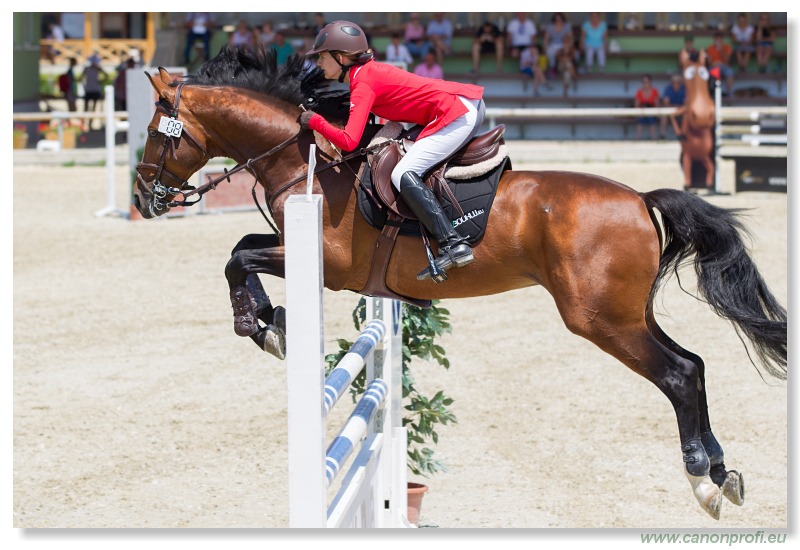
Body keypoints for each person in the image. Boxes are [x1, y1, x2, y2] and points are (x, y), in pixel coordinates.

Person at [300, 21, 485, 280]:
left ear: (340, 58)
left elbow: (349, 141)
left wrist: (315, 122)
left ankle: (452, 243)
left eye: (321, 56)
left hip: (458, 113)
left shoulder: (363, 83)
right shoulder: (363, 75)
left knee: (403, 173)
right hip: (458, 105)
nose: (318, 62)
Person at [544, 13, 573, 77]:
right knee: (550, 52)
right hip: (553, 44)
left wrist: (570, 46)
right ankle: (553, 67)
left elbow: (570, 38)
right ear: (553, 20)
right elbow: (546, 39)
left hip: (563, 44)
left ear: (563, 20)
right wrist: (546, 48)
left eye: (560, 20)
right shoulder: (550, 27)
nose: (558, 21)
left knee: (565, 54)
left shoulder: (566, 26)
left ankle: (563, 69)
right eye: (556, 20)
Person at [660, 73, 685, 139]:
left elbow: (687, 103)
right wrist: (675, 107)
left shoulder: (684, 88)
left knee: (686, 115)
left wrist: (679, 108)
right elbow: (666, 103)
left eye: (678, 82)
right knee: (665, 116)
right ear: (671, 82)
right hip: (671, 110)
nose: (676, 84)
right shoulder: (668, 88)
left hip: (682, 110)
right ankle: (662, 135)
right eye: (674, 82)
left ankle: (683, 134)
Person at [634, 74, 659, 140]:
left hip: (652, 112)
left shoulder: (654, 91)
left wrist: (651, 110)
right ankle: (638, 138)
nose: (646, 84)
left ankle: (654, 138)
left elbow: (657, 105)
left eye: (647, 82)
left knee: (650, 118)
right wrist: (642, 109)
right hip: (642, 111)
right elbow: (636, 105)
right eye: (644, 82)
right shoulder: (639, 91)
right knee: (640, 119)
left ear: (650, 82)